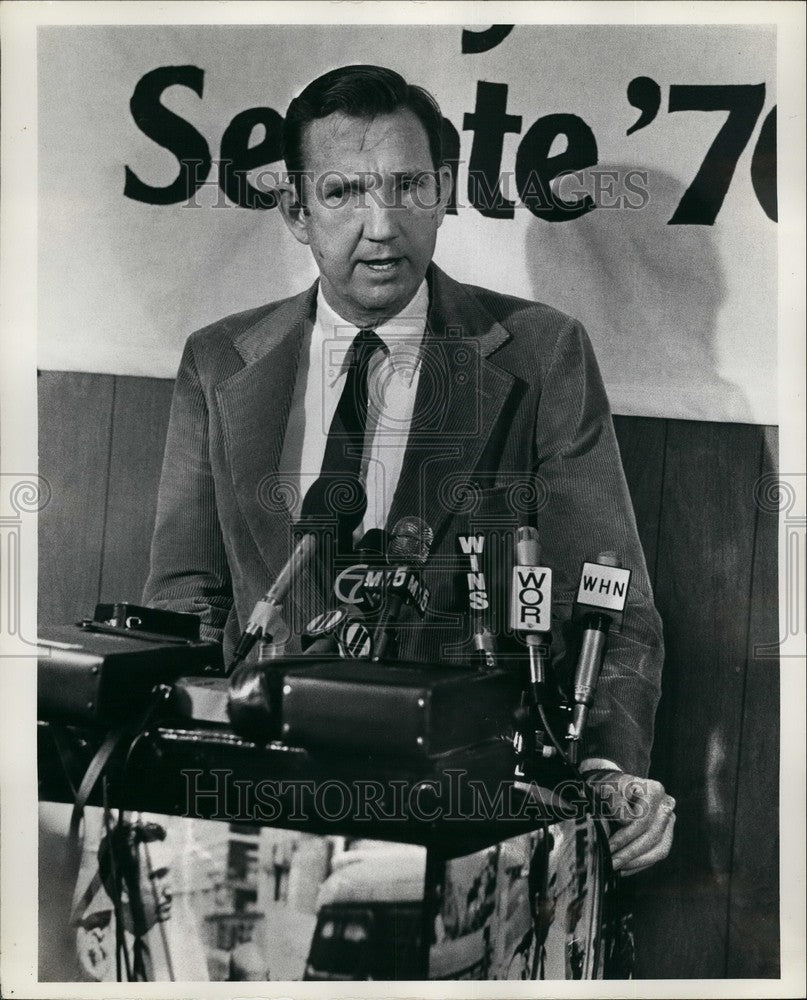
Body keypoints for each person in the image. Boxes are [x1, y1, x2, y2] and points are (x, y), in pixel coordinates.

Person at [144, 64, 675, 874]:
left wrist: (604, 767)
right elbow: (183, 603)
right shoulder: (218, 362)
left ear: (445, 191)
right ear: (295, 210)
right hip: (257, 795)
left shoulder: (540, 352)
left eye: (406, 187)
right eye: (344, 192)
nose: (382, 224)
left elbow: (613, 602)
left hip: (464, 806)